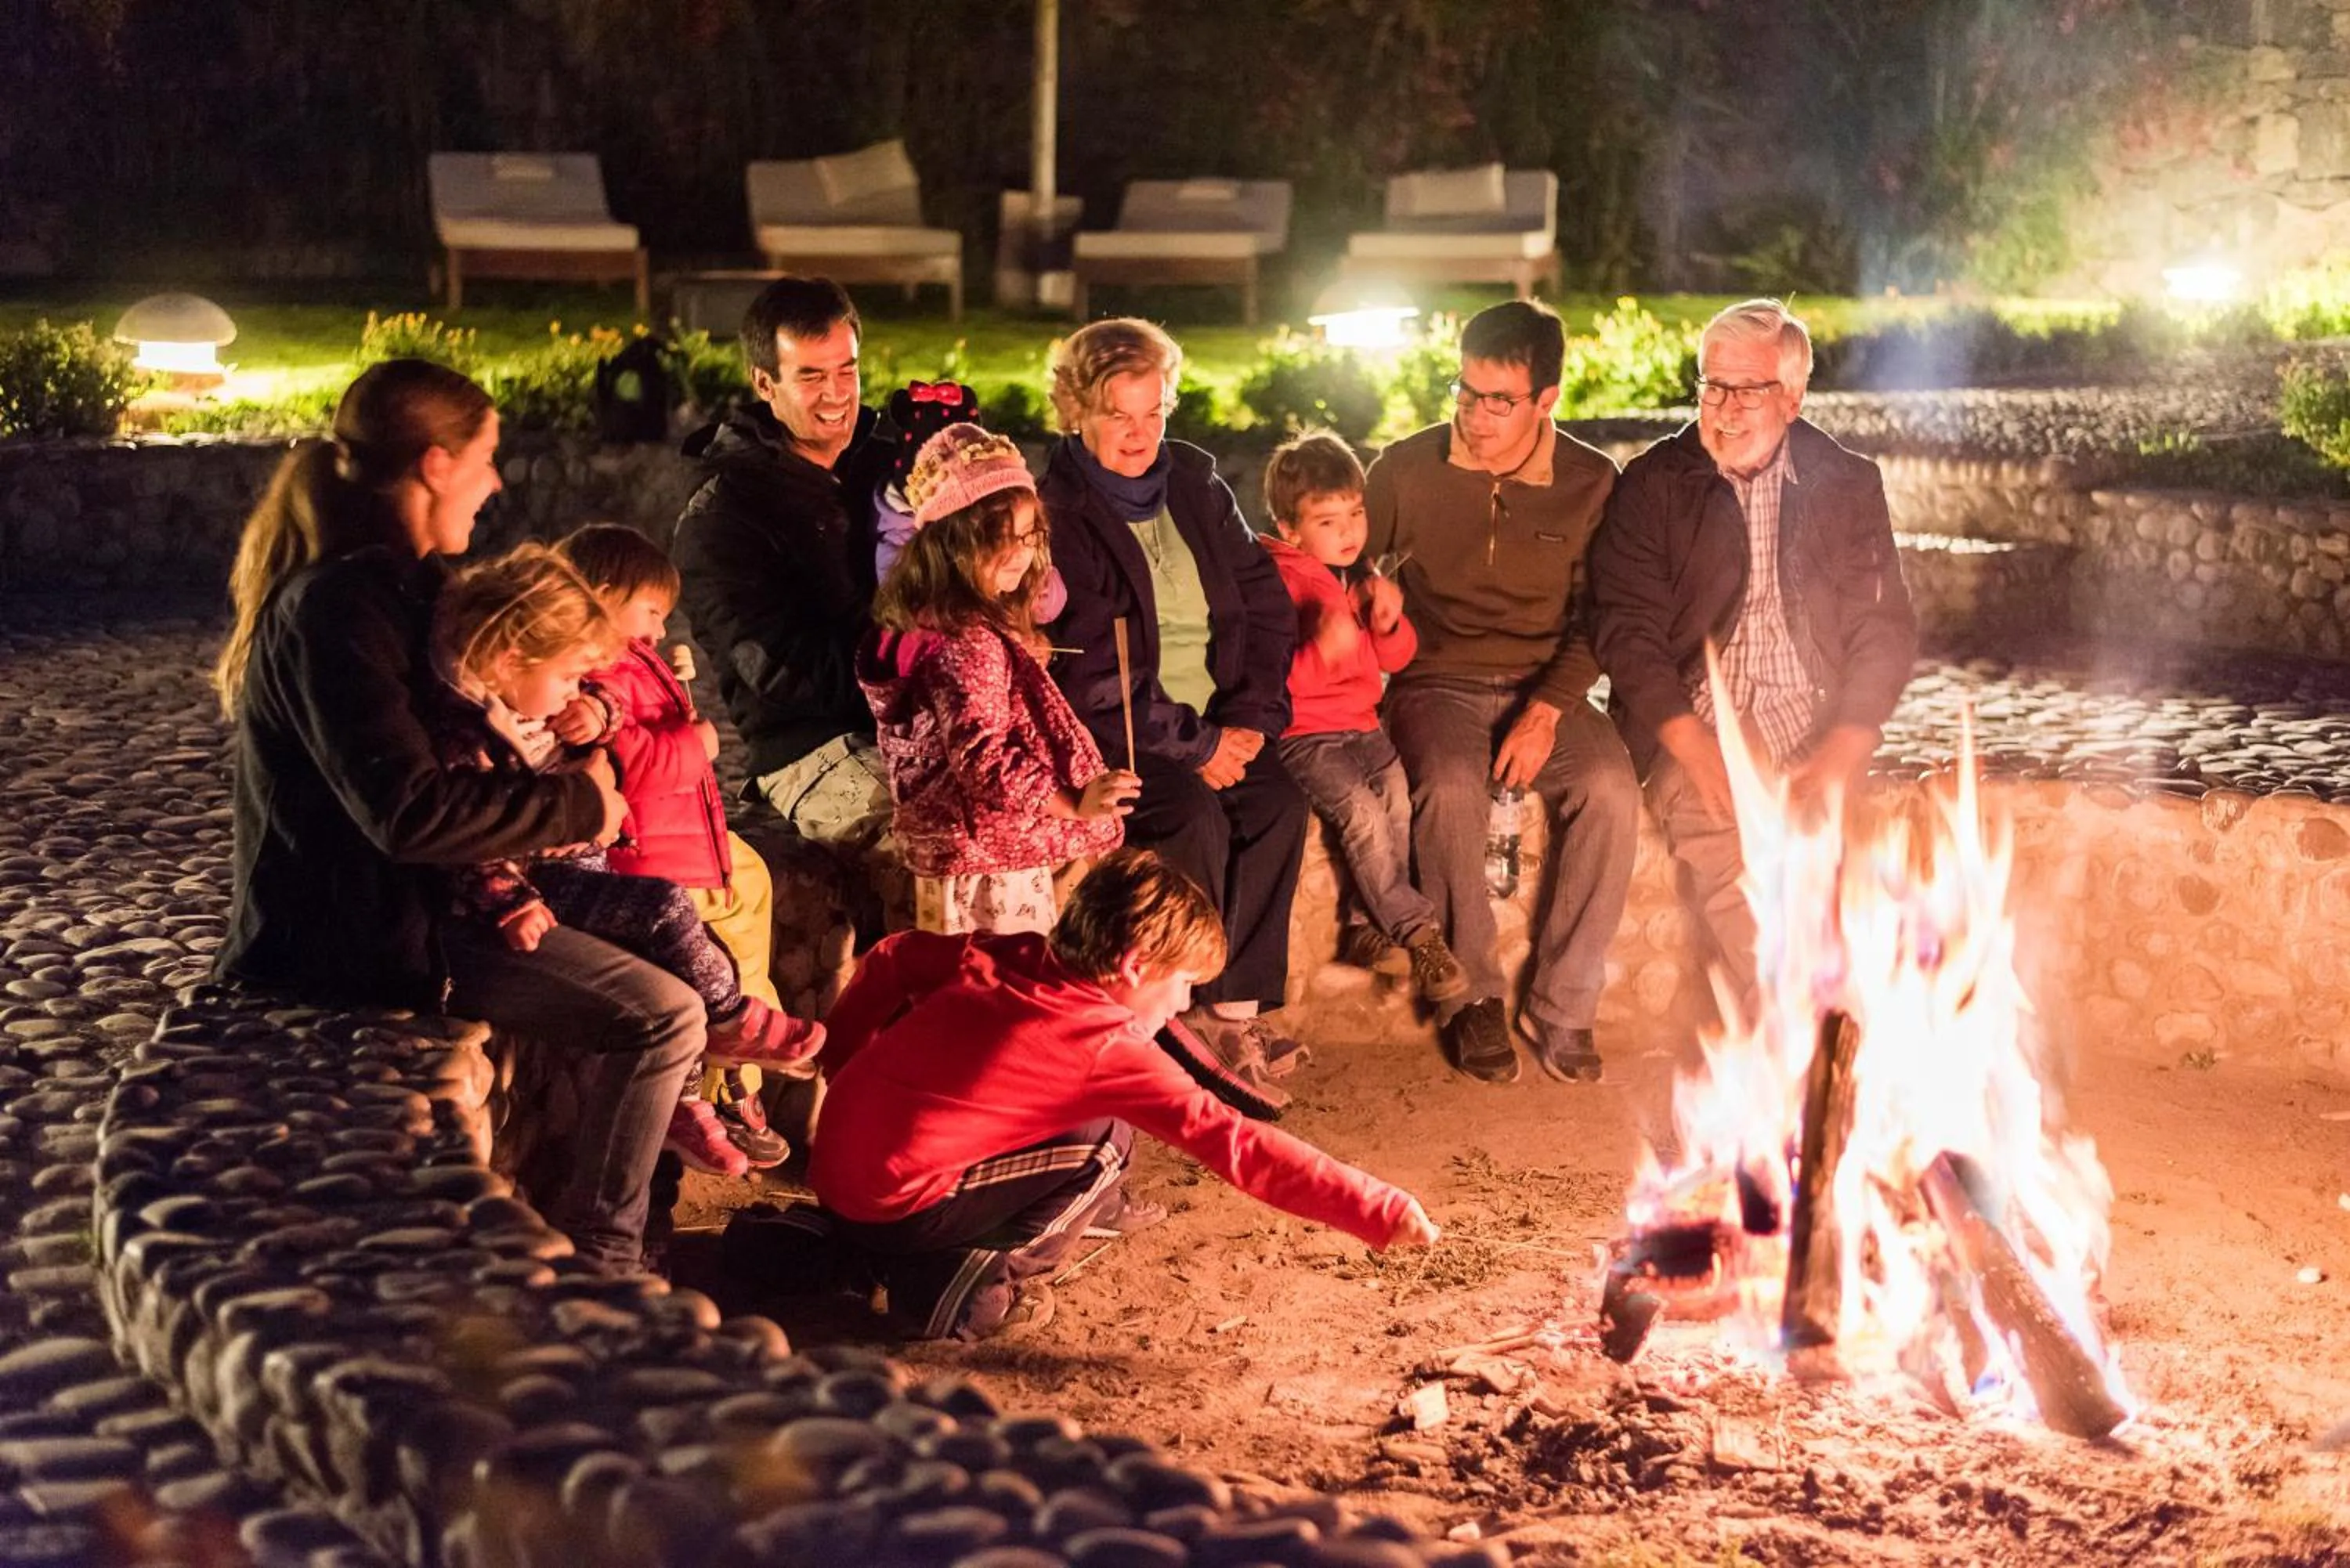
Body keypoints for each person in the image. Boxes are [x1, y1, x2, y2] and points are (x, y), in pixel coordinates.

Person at [213, 359, 697, 1275]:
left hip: (434, 913)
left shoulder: (407, 589)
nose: (497, 482)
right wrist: (579, 802)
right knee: (661, 1015)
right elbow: (407, 812)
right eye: (487, 458)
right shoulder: (337, 609)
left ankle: (621, 1226)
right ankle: (608, 1259)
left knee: (665, 950)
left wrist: (584, 719)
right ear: (436, 464)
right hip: (367, 942)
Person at [768, 848, 1439, 1340]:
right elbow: (1235, 1142)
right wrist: (1377, 1209)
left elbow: (893, 957)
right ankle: (969, 1270)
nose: (1183, 1002)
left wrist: (840, 1058)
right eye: (1183, 985)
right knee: (1105, 1145)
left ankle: (851, 1250)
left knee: (1065, 1125)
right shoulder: (1104, 1048)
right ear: (1134, 967)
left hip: (838, 1173)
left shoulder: (1011, 954)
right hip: (903, 1206)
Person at [426, 544, 824, 1176]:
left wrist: (608, 733)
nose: (569, 695)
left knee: (699, 953)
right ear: (509, 660)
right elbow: (472, 836)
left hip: (589, 867)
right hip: (547, 888)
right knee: (667, 928)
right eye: (563, 678)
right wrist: (510, 898)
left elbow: (603, 702)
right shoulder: (478, 733)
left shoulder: (533, 707)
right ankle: (729, 1024)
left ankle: (692, 1099)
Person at [1587, 298, 1917, 1002]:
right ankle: (1795, 1031)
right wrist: (1687, 740)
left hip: (1813, 719)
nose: (1724, 408)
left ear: (1793, 398)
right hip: (1697, 722)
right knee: (1734, 863)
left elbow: (1882, 627)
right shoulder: (1654, 485)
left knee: (1841, 868)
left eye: (1748, 390)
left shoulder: (1847, 484)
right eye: (1712, 385)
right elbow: (1626, 628)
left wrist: (1852, 737)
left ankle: (1834, 1030)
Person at [1365, 300, 1640, 1086]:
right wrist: (1363, 594)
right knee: (1449, 787)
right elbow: (1341, 561)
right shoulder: (1405, 469)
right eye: (1465, 392)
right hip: (1435, 682)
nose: (1476, 417)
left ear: (1547, 399)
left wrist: (1549, 709)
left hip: (1544, 684)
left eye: (1499, 401)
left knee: (1611, 789)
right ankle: (1471, 1000)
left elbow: (1603, 616)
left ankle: (1563, 1007)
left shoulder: (1592, 482)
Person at [1039, 318, 1310, 1104]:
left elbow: (1264, 603)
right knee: (1192, 812)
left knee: (1278, 801)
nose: (1139, 434)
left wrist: (1253, 719)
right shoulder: (1063, 510)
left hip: (1222, 716)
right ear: (1075, 412)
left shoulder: (1194, 484)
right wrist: (1197, 747)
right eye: (1119, 415)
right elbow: (1092, 670)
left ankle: (1234, 1010)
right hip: (1126, 734)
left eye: (1154, 412)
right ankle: (1179, 1020)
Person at [555, 522, 801, 1170]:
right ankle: (727, 1085)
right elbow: (626, 748)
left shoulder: (631, 658)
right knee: (713, 966)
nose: (663, 631)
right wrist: (701, 745)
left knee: (749, 908)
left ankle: (736, 1082)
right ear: (606, 596)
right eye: (653, 613)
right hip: (652, 856)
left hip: (687, 843)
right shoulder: (597, 669)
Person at [671, 275, 900, 920]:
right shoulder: (724, 515)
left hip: (924, 713)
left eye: (847, 371)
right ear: (764, 383)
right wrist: (907, 663)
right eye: (811, 377)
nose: (836, 396)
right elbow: (778, 672)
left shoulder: (890, 465)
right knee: (926, 842)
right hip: (811, 746)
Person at [859, 423, 1136, 934]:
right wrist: (1072, 803)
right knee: (1000, 991)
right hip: (988, 863)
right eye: (995, 538)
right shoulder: (969, 642)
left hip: (958, 849)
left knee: (955, 989)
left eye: (1028, 535)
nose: (1018, 553)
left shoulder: (931, 623)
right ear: (950, 545)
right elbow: (983, 756)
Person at [1258, 430, 1466, 1005]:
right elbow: (1269, 687)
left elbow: (1395, 660)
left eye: (1355, 513)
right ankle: (1416, 932)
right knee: (1360, 813)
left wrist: (1388, 624)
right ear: (1290, 530)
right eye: (1328, 521)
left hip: (1362, 725)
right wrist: (1320, 649)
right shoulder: (1276, 583)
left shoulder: (1358, 575)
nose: (1349, 530)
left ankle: (1363, 928)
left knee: (1396, 797)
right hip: (1304, 736)